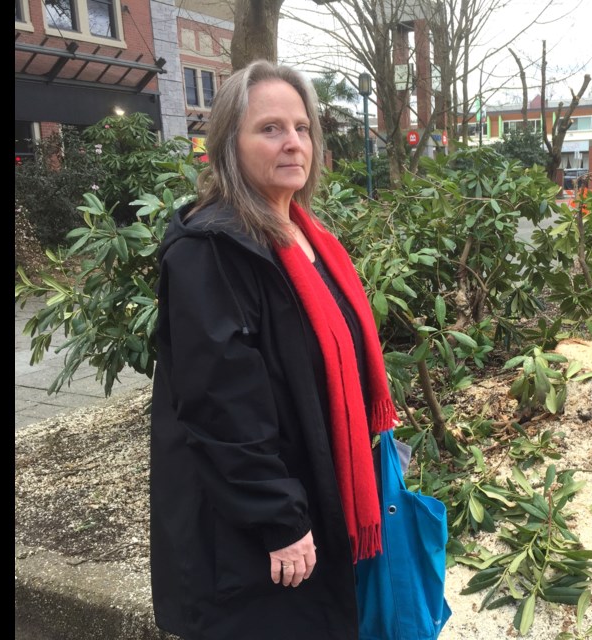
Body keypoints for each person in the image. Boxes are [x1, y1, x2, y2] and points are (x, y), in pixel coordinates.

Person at [150, 60, 399, 640]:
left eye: (302, 127)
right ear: (228, 147)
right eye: (270, 129)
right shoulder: (210, 252)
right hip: (256, 532)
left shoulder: (308, 237)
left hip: (316, 487)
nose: (293, 142)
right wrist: (279, 520)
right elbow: (221, 407)